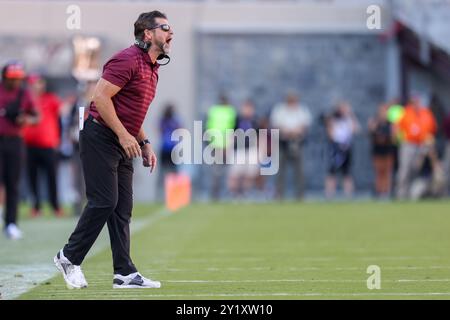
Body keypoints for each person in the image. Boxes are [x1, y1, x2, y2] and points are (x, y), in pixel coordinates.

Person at [53, 10, 173, 289]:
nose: (170, 33)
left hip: (121, 140)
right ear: (148, 33)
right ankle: (68, 257)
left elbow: (132, 112)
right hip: (100, 137)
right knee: (104, 201)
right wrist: (123, 135)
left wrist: (143, 142)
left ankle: (124, 273)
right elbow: (101, 98)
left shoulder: (151, 67)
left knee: (122, 209)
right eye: (165, 27)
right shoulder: (127, 59)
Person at [0, 61, 39, 239]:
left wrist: (26, 120)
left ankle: (11, 223)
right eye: (11, 79)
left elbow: (37, 116)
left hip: (15, 141)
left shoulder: (24, 93)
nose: (15, 82)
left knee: (12, 184)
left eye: (18, 79)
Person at [22, 73, 63, 217]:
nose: (36, 86)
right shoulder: (25, 101)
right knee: (32, 178)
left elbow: (61, 118)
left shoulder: (51, 99)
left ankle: (55, 206)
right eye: (33, 83)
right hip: (29, 146)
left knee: (52, 177)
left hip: (48, 145)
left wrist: (58, 139)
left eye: (38, 83)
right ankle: (36, 207)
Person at [270, 91, 312, 200]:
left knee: (299, 171)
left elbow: (305, 125)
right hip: (283, 142)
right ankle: (279, 194)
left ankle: (300, 195)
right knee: (280, 170)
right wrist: (287, 132)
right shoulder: (280, 110)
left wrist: (296, 132)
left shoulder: (302, 110)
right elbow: (276, 124)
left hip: (297, 142)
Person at [395, 94, 437, 199]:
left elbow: (432, 129)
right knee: (404, 169)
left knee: (416, 168)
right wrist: (398, 140)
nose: (416, 104)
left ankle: (412, 193)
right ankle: (401, 193)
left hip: (422, 144)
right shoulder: (405, 112)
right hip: (408, 143)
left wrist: (429, 143)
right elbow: (397, 127)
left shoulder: (426, 113)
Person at [324, 102, 360, 198]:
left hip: (347, 146)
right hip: (336, 147)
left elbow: (356, 129)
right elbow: (329, 132)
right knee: (332, 171)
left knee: (347, 172)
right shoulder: (333, 119)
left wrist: (351, 115)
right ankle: (329, 194)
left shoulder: (349, 119)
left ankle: (348, 194)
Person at [205, 94, 237, 200]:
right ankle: (224, 193)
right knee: (226, 170)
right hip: (225, 144)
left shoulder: (213, 110)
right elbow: (234, 128)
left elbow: (208, 126)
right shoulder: (230, 111)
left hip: (216, 143)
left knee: (217, 171)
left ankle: (216, 193)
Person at [227, 100, 260, 198]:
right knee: (235, 173)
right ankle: (234, 194)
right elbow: (231, 134)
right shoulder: (237, 120)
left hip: (251, 150)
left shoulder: (255, 121)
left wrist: (259, 151)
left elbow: (258, 136)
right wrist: (229, 148)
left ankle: (245, 193)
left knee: (249, 174)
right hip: (239, 150)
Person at [368, 103, 396, 198]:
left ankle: (386, 192)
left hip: (387, 151)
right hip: (377, 151)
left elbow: (393, 138)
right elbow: (371, 134)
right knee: (379, 172)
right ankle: (379, 191)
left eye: (385, 111)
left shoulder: (390, 124)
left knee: (387, 172)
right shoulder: (375, 122)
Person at [158, 103, 182, 200]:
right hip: (170, 149)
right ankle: (170, 195)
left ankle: (166, 195)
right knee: (171, 172)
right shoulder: (173, 121)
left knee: (167, 172)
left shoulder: (163, 120)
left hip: (167, 148)